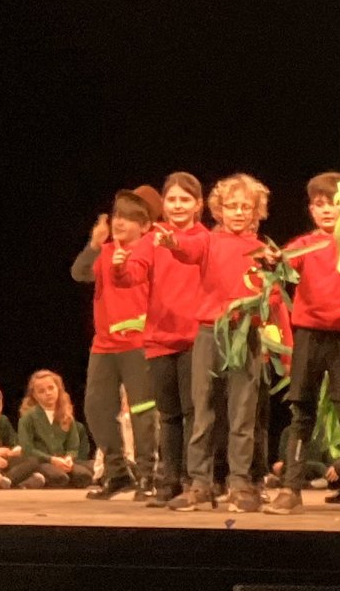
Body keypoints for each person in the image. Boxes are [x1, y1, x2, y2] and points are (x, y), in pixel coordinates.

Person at [161, 173, 272, 512]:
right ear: (219, 209)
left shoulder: (262, 249)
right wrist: (173, 243)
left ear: (256, 211)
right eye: (232, 206)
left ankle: (239, 483)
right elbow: (188, 249)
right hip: (211, 333)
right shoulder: (208, 241)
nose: (238, 212)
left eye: (245, 207)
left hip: (246, 335)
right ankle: (200, 483)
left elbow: (271, 295)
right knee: (203, 410)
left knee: (242, 414)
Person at [276, 171, 340, 516]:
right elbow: (280, 265)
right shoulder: (304, 246)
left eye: (335, 203)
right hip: (309, 336)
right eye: (319, 204)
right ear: (311, 210)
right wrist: (271, 262)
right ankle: (291, 488)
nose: (327, 210)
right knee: (302, 412)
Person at [75, 189, 159, 501]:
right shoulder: (106, 250)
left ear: (145, 225)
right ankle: (118, 473)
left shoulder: (152, 252)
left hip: (139, 343)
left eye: (129, 218)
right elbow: (79, 273)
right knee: (96, 408)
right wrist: (94, 245)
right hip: (104, 345)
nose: (120, 222)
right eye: (117, 216)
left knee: (142, 411)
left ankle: (149, 476)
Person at [140, 171, 210, 507]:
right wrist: (120, 266)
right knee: (168, 415)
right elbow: (133, 273)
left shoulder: (206, 239)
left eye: (185, 199)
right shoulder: (152, 239)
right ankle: (168, 481)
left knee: (194, 413)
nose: (178, 205)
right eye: (172, 199)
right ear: (163, 204)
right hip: (159, 338)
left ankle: (193, 481)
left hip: (195, 339)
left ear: (198, 204)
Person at [11, 369, 95, 488]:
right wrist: (52, 459)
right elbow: (27, 448)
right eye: (41, 391)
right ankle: (36, 478)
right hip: (42, 461)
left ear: (58, 389)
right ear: (34, 395)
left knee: (85, 476)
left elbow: (73, 446)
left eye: (51, 388)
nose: (48, 393)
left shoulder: (66, 416)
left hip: (62, 461)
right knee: (59, 478)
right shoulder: (28, 418)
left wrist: (69, 458)